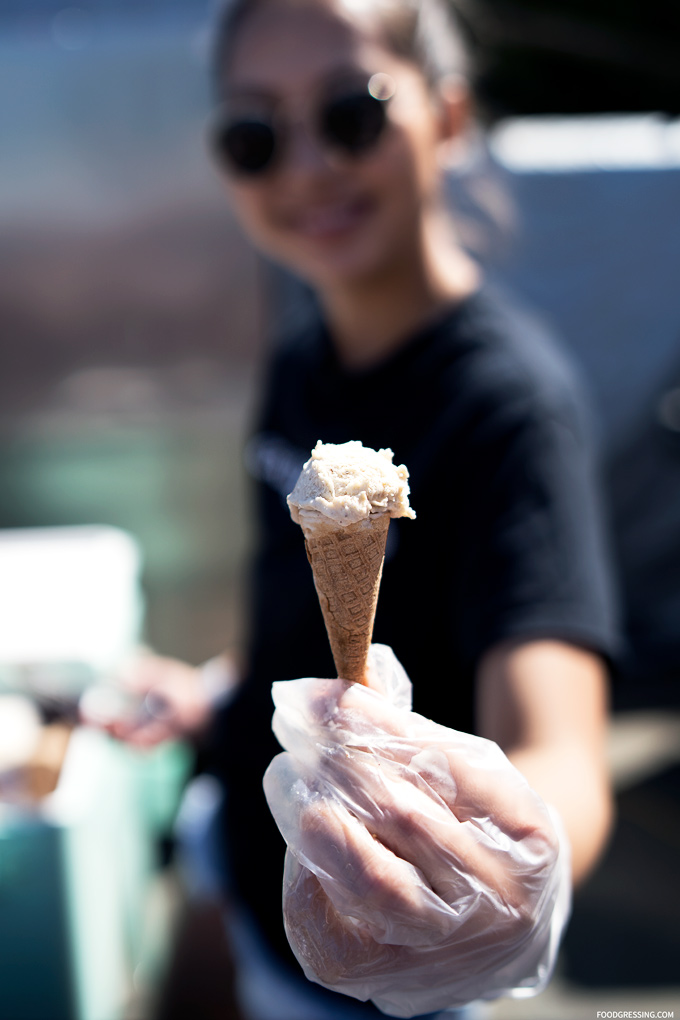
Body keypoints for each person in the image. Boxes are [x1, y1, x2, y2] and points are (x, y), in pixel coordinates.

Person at [91, 1, 618, 1017]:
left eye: (350, 113)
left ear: (448, 117)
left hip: (383, 960)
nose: (304, 168)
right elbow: (305, 620)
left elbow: (561, 744)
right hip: (252, 880)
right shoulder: (303, 351)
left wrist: (519, 883)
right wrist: (221, 698)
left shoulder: (507, 408)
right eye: (254, 133)